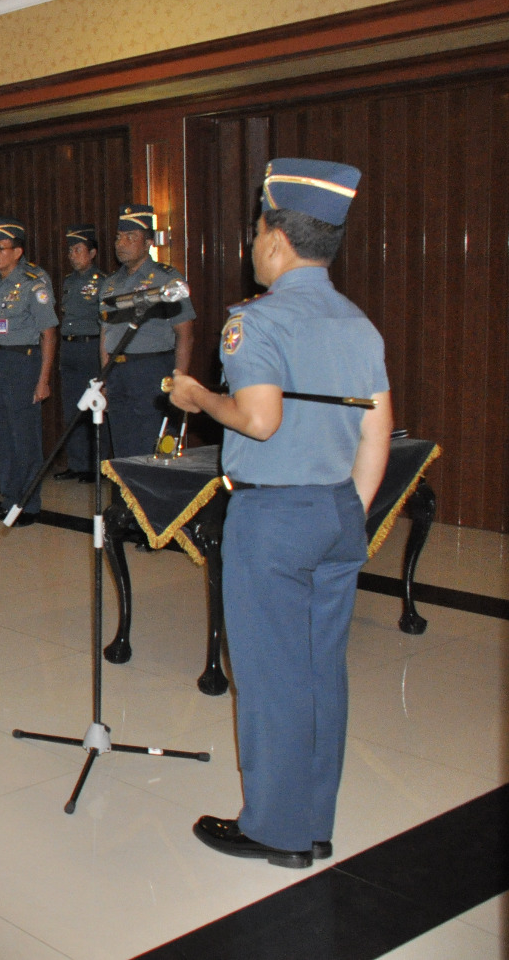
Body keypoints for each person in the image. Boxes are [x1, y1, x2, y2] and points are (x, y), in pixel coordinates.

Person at [169, 158, 388, 870]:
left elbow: (259, 419)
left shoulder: (254, 321)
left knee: (269, 677)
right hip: (336, 509)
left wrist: (201, 399)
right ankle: (314, 821)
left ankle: (277, 829)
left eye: (256, 232)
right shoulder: (356, 321)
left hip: (275, 517)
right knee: (322, 674)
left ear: (274, 241)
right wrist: (352, 506)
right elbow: (377, 427)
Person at [0, 217, 56, 526]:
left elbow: (49, 333)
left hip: (25, 363)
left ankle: (29, 504)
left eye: (0, 248)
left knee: (24, 438)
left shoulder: (34, 282)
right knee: (2, 437)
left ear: (18, 251)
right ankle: (10, 500)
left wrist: (44, 379)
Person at [100, 204, 194, 458]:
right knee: (121, 445)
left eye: (131, 237)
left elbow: (184, 333)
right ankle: (124, 498)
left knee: (152, 445)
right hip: (117, 370)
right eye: (119, 237)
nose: (122, 243)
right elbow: (105, 334)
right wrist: (105, 378)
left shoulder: (166, 279)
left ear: (148, 243)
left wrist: (180, 380)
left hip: (151, 370)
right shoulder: (110, 284)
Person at [54, 225, 105, 482]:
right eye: (70, 250)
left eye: (78, 250)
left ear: (92, 252)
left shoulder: (102, 281)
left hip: (91, 347)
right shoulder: (68, 282)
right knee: (72, 407)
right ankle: (76, 463)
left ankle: (97, 466)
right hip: (69, 346)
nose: (72, 255)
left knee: (93, 406)